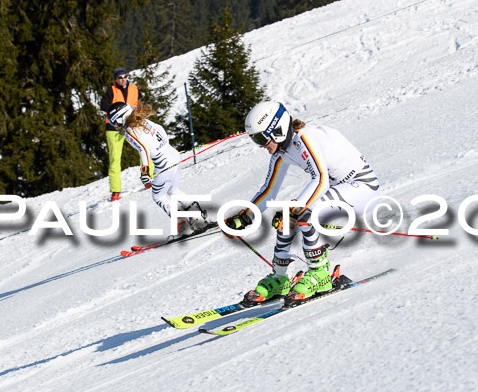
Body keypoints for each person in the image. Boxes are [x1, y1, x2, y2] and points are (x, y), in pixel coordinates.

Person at [225, 101, 380, 306]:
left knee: (304, 213)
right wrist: (244, 216)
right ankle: (280, 277)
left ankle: (320, 274)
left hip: (361, 186)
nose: (260, 145)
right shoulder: (282, 151)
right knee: (289, 215)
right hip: (336, 188)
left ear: (277, 130)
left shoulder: (305, 138)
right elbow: (269, 190)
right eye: (255, 140)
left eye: (261, 138)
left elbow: (321, 179)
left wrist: (297, 208)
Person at [107, 101, 210, 238]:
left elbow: (143, 149)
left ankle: (183, 227)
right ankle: (201, 220)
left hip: (163, 163)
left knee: (158, 196)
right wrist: (164, 146)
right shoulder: (142, 121)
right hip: (174, 156)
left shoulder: (129, 131)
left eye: (113, 121)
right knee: (173, 190)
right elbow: (160, 129)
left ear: (120, 117)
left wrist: (144, 171)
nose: (114, 125)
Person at [100, 68, 142, 201]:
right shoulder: (111, 90)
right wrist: (119, 108)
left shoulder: (134, 88)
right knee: (115, 159)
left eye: (125, 76)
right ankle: (115, 191)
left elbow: (141, 102)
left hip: (132, 124)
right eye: (120, 77)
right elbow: (103, 105)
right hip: (114, 128)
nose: (123, 79)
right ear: (116, 79)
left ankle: (149, 179)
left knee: (144, 150)